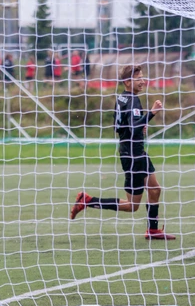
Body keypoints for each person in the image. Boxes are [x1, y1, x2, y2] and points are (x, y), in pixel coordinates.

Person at [70, 65, 176, 240]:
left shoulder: (123, 98)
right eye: (138, 78)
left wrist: (140, 124)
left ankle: (153, 230)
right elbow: (133, 127)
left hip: (136, 151)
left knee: (155, 189)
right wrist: (151, 113)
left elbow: (121, 126)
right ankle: (87, 200)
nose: (142, 81)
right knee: (132, 206)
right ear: (127, 82)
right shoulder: (133, 100)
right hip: (133, 155)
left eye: (142, 77)